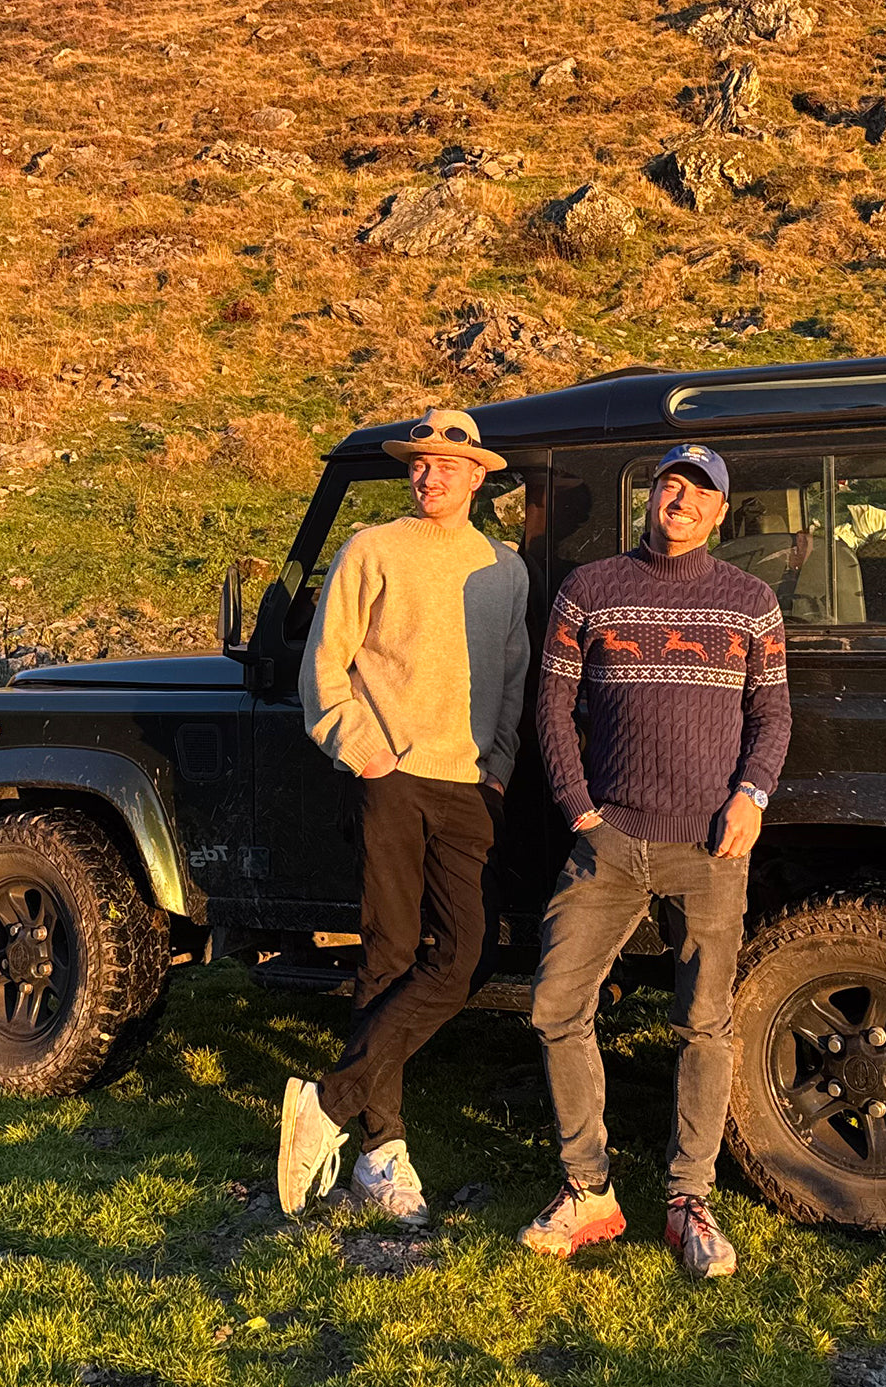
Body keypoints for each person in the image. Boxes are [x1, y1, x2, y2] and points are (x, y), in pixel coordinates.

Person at [519, 444, 792, 1278]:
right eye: (672, 485)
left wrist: (752, 796)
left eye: (699, 492)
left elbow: (773, 715)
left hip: (709, 848)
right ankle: (588, 1188)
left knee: (703, 1025)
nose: (682, 500)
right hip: (609, 843)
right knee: (555, 1005)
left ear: (719, 513)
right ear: (650, 496)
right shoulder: (590, 589)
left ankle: (688, 1201)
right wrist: (580, 809)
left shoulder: (751, 602)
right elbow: (552, 706)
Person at [278, 408, 531, 1225]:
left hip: (469, 784)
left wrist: (499, 767)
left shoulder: (505, 568)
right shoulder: (372, 548)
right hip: (389, 776)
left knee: (467, 957)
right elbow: (326, 661)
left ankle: (328, 1102)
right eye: (419, 464)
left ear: (477, 476)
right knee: (387, 954)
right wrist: (362, 749)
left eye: (446, 465)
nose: (429, 476)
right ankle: (381, 1152)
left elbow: (513, 674)